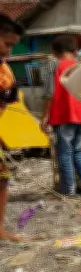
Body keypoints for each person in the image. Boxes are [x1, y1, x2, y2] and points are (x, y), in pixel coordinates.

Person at [41, 35, 81, 196]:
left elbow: (49, 93)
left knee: (64, 153)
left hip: (64, 116)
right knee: (78, 151)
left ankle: (68, 191)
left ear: (54, 51)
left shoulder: (54, 65)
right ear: (75, 51)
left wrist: (45, 116)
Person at [0, 14, 24, 242]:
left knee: (2, 179)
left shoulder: (5, 70)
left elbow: (8, 102)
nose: (9, 51)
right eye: (6, 44)